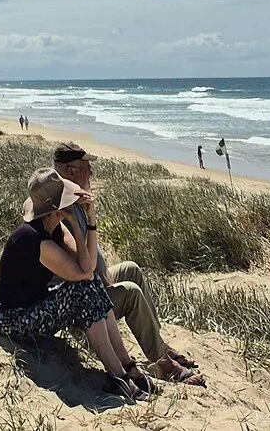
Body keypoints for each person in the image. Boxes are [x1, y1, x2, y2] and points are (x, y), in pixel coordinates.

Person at [0, 168, 150, 402]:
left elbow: (91, 266)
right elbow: (83, 274)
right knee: (83, 288)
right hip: (13, 321)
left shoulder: (53, 228)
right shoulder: (33, 238)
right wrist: (77, 224)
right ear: (56, 208)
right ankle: (118, 375)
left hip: (34, 309)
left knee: (91, 284)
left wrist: (89, 221)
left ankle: (125, 365)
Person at [52, 144, 203, 387]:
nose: (91, 172)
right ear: (71, 171)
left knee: (131, 268)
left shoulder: (75, 198)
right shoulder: (63, 208)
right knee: (130, 292)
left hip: (92, 284)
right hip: (81, 309)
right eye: (86, 168)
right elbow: (81, 270)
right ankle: (162, 363)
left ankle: (159, 345)